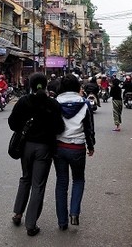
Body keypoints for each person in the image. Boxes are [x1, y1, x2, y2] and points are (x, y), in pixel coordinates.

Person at [8, 72, 65, 237]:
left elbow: (12, 124)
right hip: (44, 148)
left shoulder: (23, 101)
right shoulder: (52, 104)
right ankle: (31, 225)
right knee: (38, 185)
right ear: (46, 86)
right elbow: (59, 128)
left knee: (25, 178)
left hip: (25, 147)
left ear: (30, 85)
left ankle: (18, 214)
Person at [54, 75, 95, 230]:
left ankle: (62, 222)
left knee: (61, 182)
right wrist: (91, 146)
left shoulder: (55, 103)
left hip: (59, 148)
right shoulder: (84, 104)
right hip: (77, 148)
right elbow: (89, 128)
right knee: (78, 180)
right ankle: (74, 213)